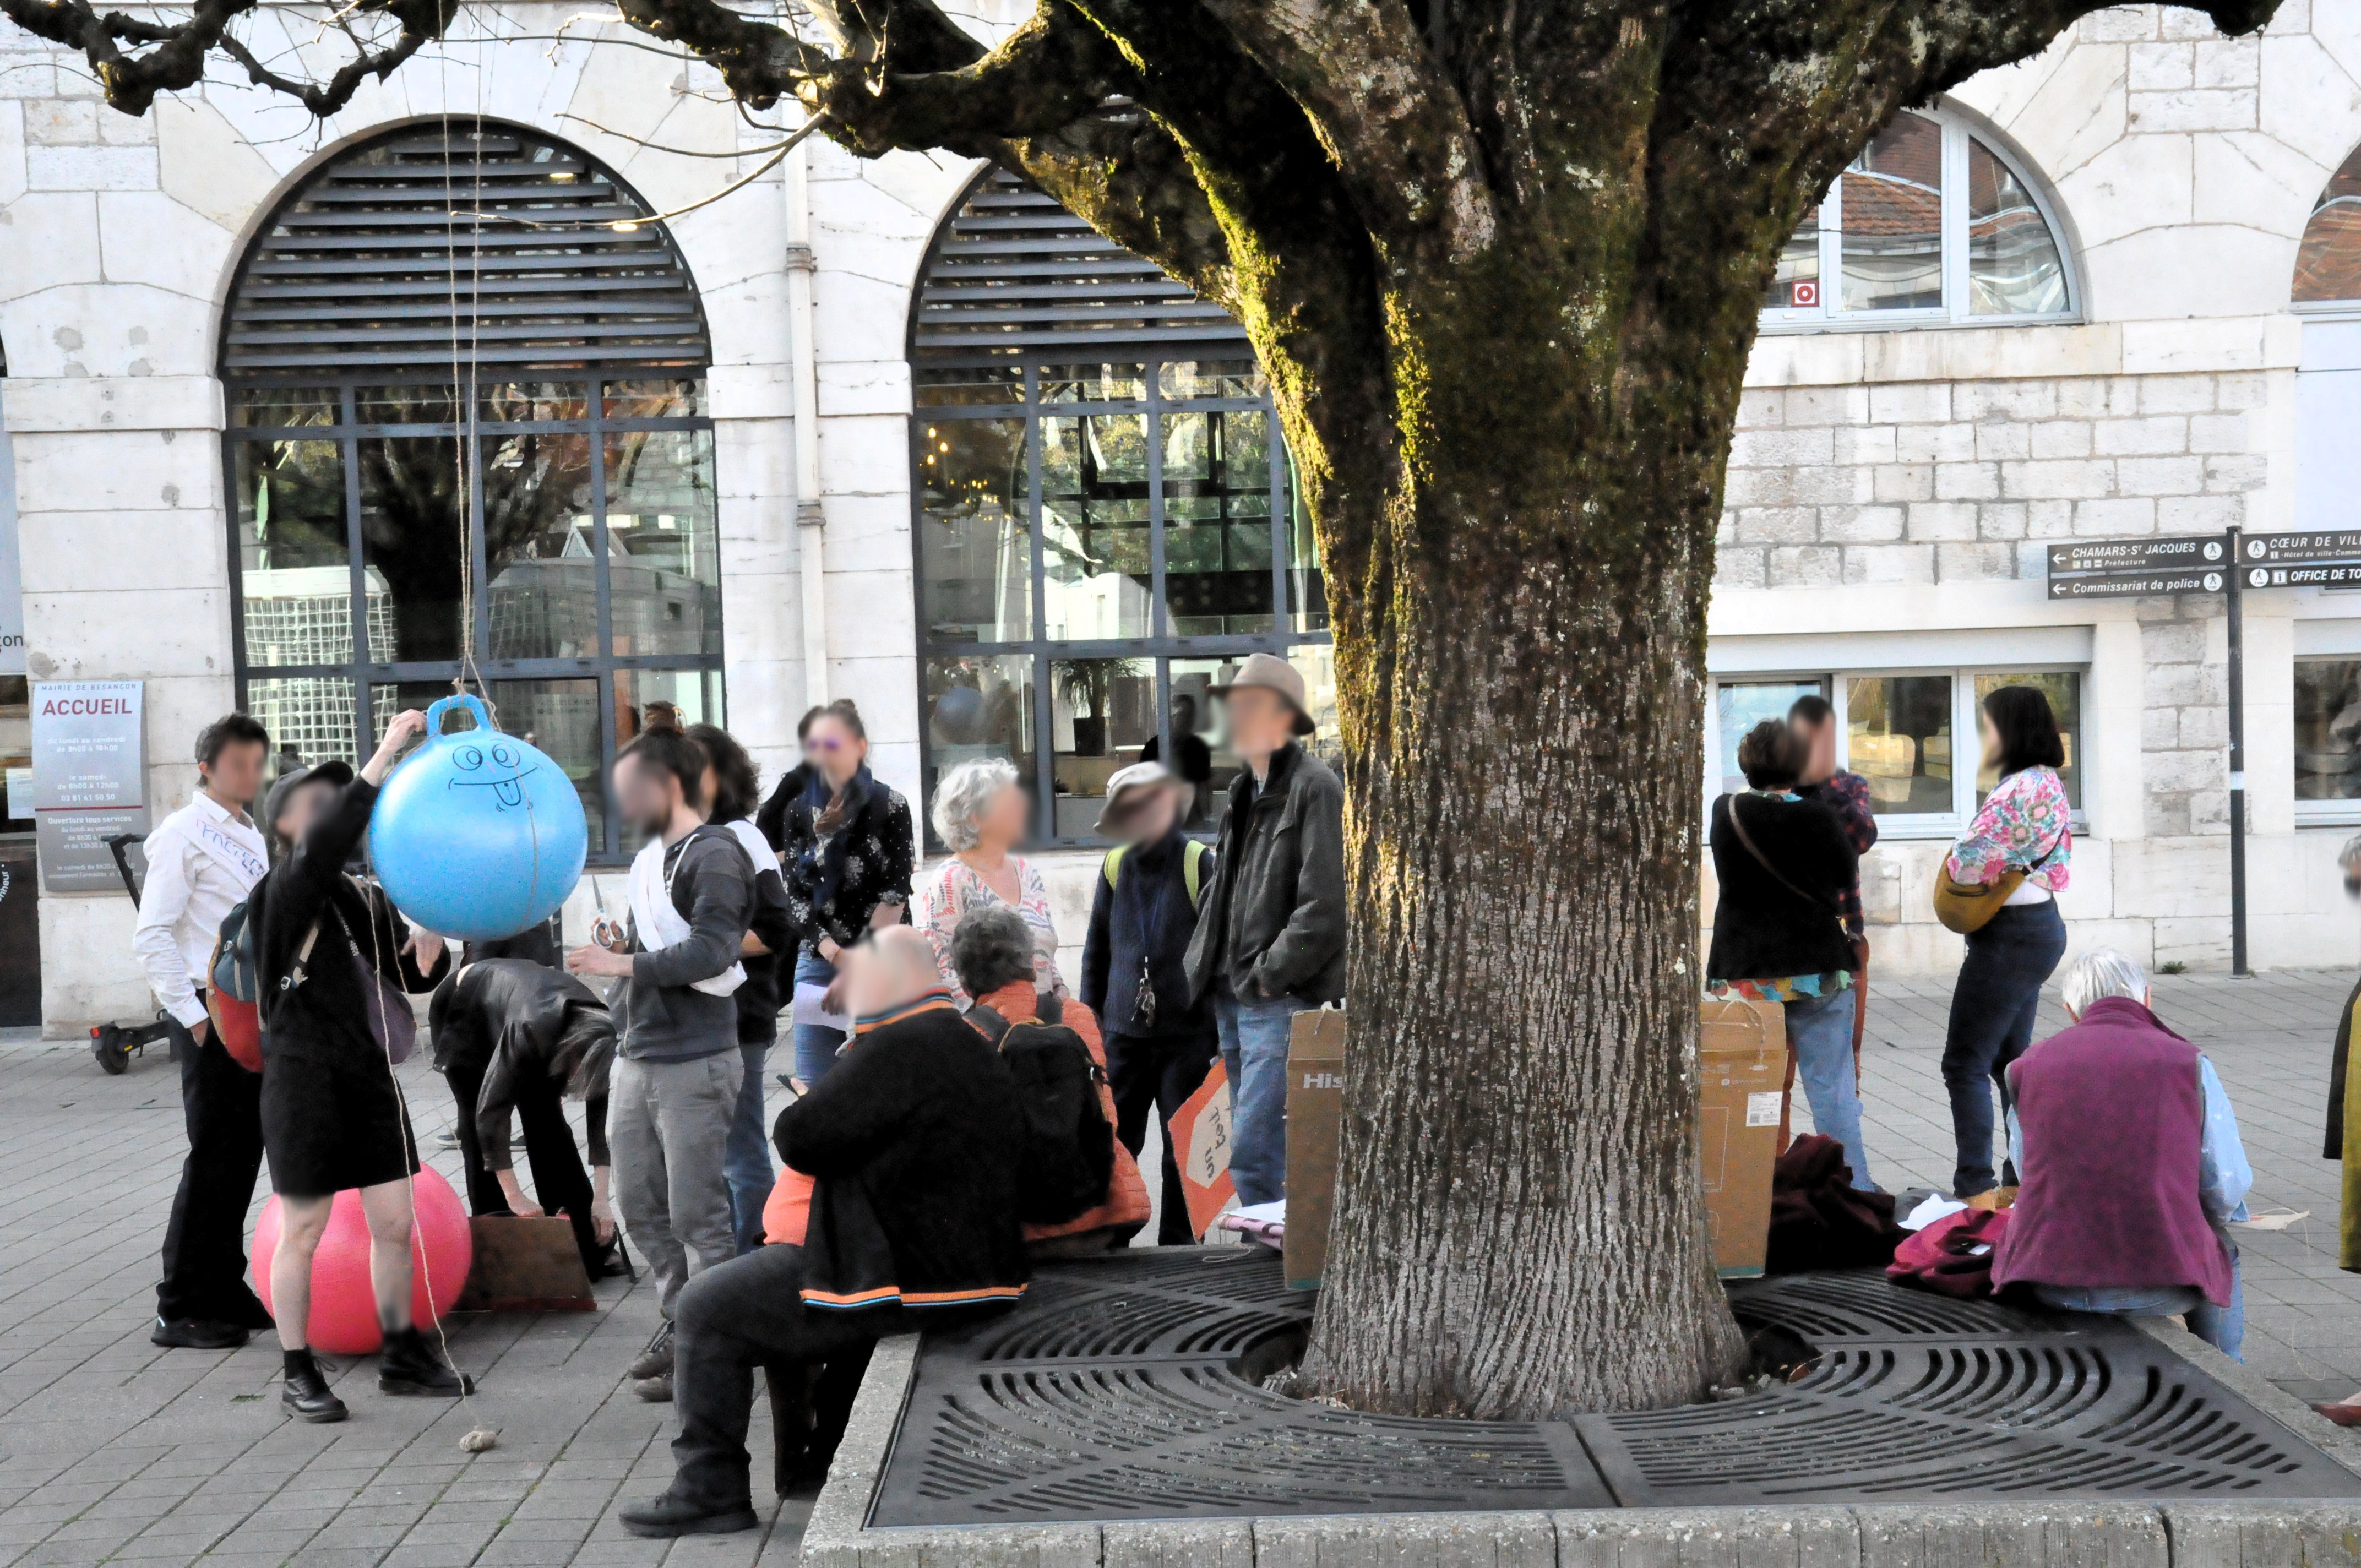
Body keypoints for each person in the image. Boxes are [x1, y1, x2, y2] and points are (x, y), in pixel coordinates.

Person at [617, 928, 1027, 1538]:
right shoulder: (966, 1039)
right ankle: (819, 1457)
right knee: (765, 1286)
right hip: (976, 1269)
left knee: (707, 1305)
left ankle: (710, 1488)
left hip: (911, 1280)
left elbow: (801, 1137)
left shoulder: (900, 1044)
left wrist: (825, 1087)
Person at [251, 711, 463, 1422]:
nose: (335, 813)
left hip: (366, 1075)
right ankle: (296, 1369)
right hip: (303, 1081)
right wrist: (383, 757)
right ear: (284, 826)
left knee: (396, 1223)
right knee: (303, 1229)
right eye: (316, 804)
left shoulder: (348, 895)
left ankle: (403, 1351)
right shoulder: (279, 892)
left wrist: (427, 943)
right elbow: (325, 847)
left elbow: (403, 974)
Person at [567, 714, 753, 1401]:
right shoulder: (653, 860)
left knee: (697, 1215)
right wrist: (626, 945)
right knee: (640, 1206)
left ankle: (722, 1345)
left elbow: (713, 950)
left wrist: (621, 960)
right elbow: (658, 947)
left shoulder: (715, 854)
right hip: (637, 1053)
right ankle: (684, 1325)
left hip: (694, 1059)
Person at [1992, 949, 2249, 1359]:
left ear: (2070, 1010)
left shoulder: (2027, 1066)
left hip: (2050, 1275)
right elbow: (2225, 1183)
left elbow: (2027, 1172)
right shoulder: (2188, 1062)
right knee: (2221, 1244)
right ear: (2146, 998)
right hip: (2164, 1279)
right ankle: (2230, 1372)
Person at [134, 712, 276, 1351]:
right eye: (237, 762)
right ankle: (181, 1304)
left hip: (253, 1012)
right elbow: (153, 933)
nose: (250, 774)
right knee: (215, 1156)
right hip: (208, 1012)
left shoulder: (252, 830)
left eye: (256, 762)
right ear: (206, 766)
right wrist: (191, 1020)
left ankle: (224, 1284)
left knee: (245, 1154)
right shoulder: (183, 834)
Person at [1183, 652, 1346, 1207]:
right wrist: (1208, 965)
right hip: (1234, 994)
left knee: (1256, 1149)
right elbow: (1223, 889)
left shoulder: (1314, 787)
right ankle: (1274, 1260)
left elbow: (1325, 906)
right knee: (1256, 1148)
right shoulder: (1241, 791)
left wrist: (1268, 977)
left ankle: (1283, 1272)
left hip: (1272, 997)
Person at [1706, 720, 1874, 1190]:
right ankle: (1855, 1192)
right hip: (1816, 969)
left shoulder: (1727, 810)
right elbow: (1844, 874)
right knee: (1832, 1090)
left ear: (1747, 765)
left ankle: (1746, 1195)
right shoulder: (1817, 816)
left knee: (1750, 1087)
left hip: (1748, 973)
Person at [1941, 683, 2073, 1200]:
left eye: (1988, 724)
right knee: (2010, 1064)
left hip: (2011, 937)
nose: (1982, 734)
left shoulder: (2017, 788)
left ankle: (1976, 1186)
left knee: (1965, 1064)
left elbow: (1967, 857)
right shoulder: (2047, 782)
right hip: (2036, 929)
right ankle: (2024, 1180)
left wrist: (1960, 858)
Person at [954, 905, 1150, 1254]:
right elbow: (1107, 1114)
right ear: (1029, 959)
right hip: (1105, 1214)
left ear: (964, 976)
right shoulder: (1075, 1016)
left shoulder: (963, 1036)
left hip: (1020, 1232)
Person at [1081, 762, 1216, 1243]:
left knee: (1183, 1146)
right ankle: (1113, 1237)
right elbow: (1096, 949)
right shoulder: (1115, 864)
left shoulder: (1199, 861)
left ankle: (1179, 1246)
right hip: (1121, 1035)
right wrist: (1089, 1028)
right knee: (1118, 1142)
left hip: (1187, 1036)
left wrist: (1218, 1034)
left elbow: (1218, 953)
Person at [427, 957, 619, 1275]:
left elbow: (601, 1127)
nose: (574, 1083)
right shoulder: (532, 1029)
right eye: (575, 1074)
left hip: (528, 1008)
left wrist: (601, 1200)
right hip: (466, 1005)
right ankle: (496, 1235)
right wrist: (515, 1195)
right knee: (475, 1113)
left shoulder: (605, 1038)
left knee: (546, 1119)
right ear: (571, 1052)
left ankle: (579, 1242)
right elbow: (491, 1113)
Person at [757, 700, 915, 1085]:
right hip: (820, 958)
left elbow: (896, 892)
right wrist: (830, 950)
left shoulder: (890, 805)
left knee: (887, 1080)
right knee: (816, 1084)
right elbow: (794, 894)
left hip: (883, 957)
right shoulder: (798, 812)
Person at [687, 721, 797, 1257]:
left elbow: (777, 929)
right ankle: (733, 1262)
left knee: (740, 1151)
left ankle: (759, 1264)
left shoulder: (741, 836)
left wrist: (701, 948)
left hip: (737, 1016)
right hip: (693, 1017)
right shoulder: (680, 839)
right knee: (713, 1156)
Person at [921, 756, 1064, 1007]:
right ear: (977, 817)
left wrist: (1059, 989)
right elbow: (945, 975)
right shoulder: (950, 881)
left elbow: (1043, 953)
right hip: (987, 1032)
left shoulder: (1026, 872)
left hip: (1044, 1025)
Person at [1791, 694, 1878, 1062]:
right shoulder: (1780, 792)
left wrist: (1825, 784)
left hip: (1843, 934)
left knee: (1843, 1053)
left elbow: (1863, 837)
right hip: (1789, 935)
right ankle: (1780, 1122)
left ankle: (1838, 1120)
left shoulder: (1850, 786)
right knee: (1782, 1060)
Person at [1139, 694, 1215, 824]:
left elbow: (1205, 787)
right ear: (1170, 717)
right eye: (1180, 714)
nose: (1184, 720)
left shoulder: (1199, 748)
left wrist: (1206, 817)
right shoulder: (1153, 747)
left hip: (1191, 819)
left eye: (1188, 715)